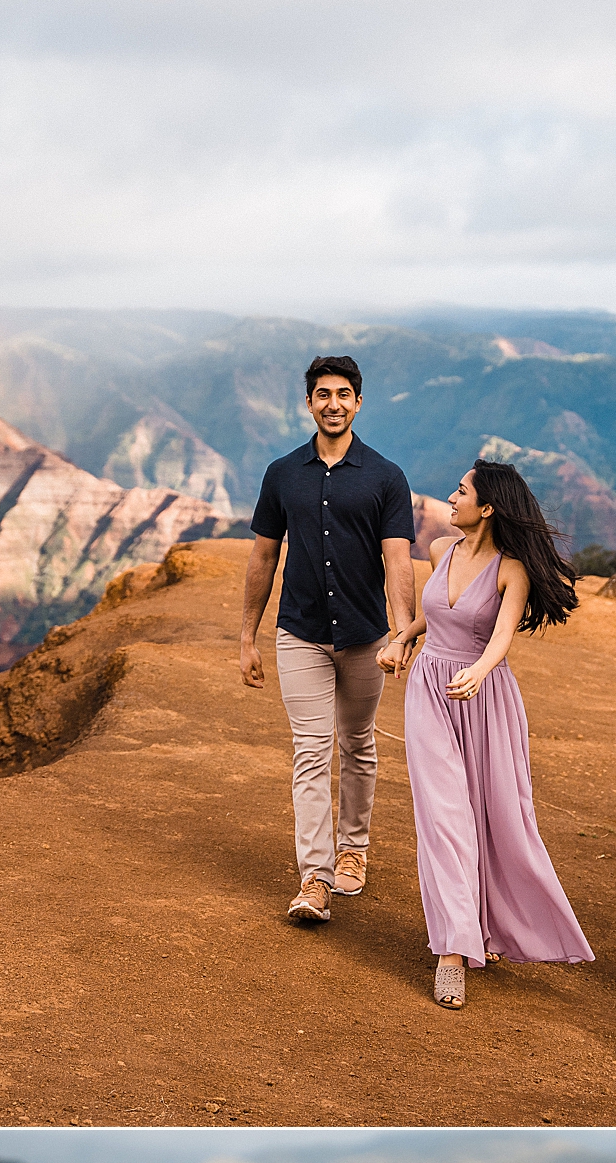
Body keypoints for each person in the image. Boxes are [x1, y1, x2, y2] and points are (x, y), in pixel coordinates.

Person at [378, 460, 592, 1009]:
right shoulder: (440, 552)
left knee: (494, 818)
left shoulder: (511, 568)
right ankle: (454, 951)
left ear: (488, 507)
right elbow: (437, 614)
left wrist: (479, 670)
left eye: (461, 491)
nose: (451, 497)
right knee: (445, 817)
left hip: (484, 699)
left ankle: (492, 926)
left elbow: (500, 638)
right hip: (431, 693)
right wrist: (401, 639)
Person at [241, 357, 417, 925]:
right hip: (301, 635)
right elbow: (264, 556)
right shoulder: (282, 473)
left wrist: (404, 631)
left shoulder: (386, 477)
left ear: (359, 402)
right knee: (311, 752)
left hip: (366, 638)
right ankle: (314, 877)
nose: (333, 403)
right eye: (323, 394)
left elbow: (397, 560)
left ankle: (354, 849)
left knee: (358, 743)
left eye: (344, 394)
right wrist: (247, 637)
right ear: (309, 403)